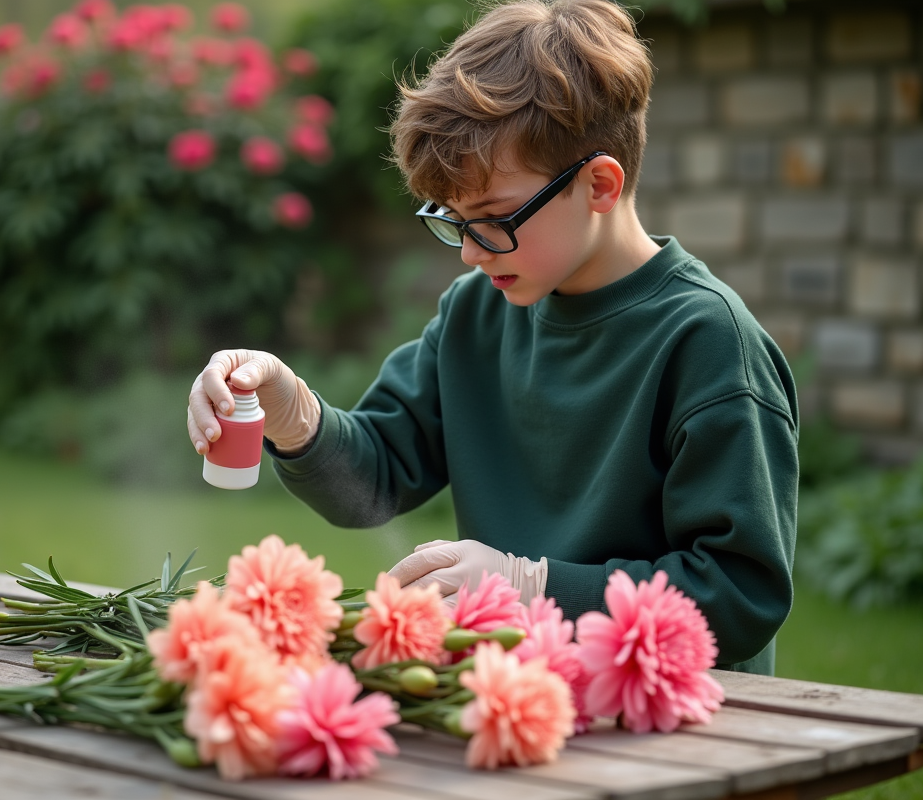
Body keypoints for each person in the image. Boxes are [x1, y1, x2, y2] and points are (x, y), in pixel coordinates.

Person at [187, 0, 797, 674]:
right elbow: (375, 479)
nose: (470, 255)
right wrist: (290, 410)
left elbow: (740, 598)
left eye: (492, 219)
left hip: (678, 723)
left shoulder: (708, 342)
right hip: (516, 699)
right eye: (451, 220)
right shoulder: (476, 314)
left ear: (598, 184)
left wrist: (532, 586)